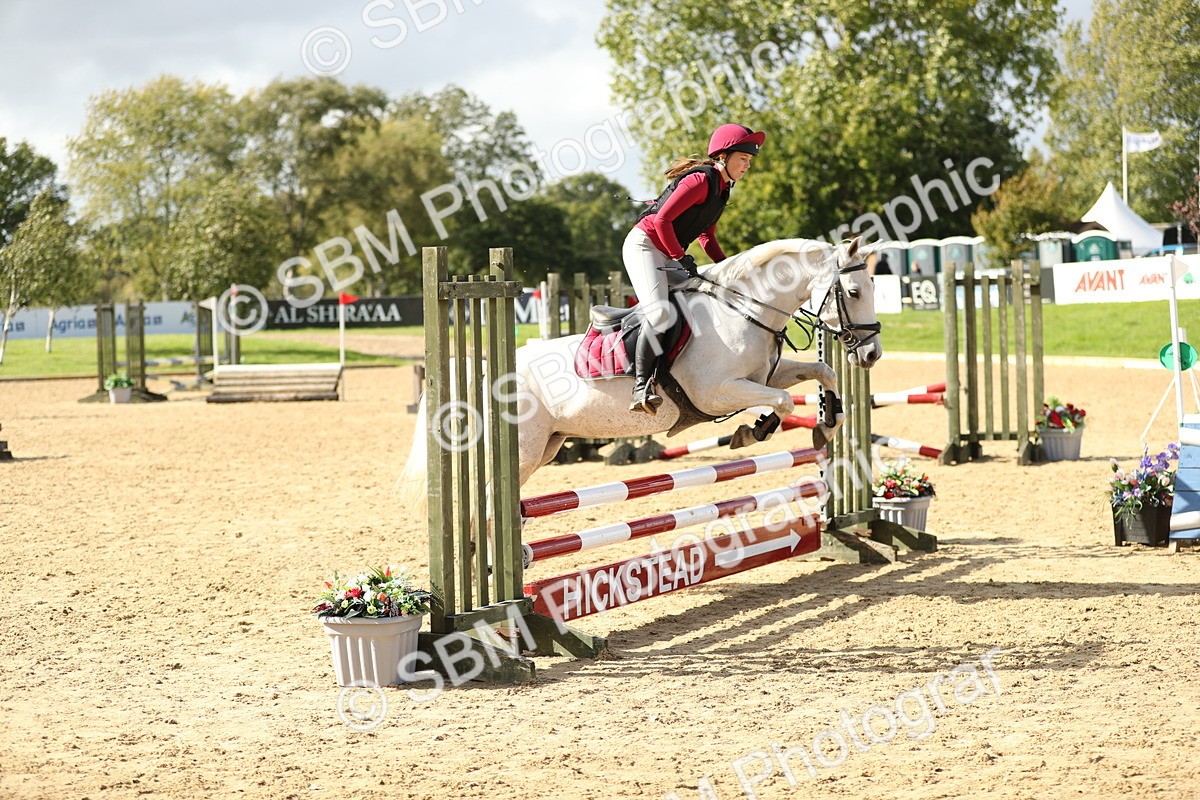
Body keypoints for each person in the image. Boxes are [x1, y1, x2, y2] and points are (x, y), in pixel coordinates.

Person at [622, 123, 765, 414]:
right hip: (645, 246)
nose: (748, 165)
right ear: (724, 156)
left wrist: (728, 269)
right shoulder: (701, 180)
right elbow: (662, 220)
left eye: (750, 161)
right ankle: (641, 386)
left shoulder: (723, 190)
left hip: (668, 252)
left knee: (709, 295)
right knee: (660, 311)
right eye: (744, 159)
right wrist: (680, 256)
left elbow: (706, 237)